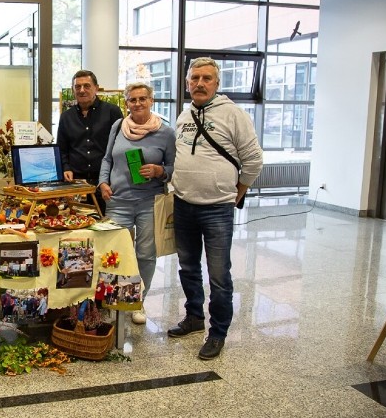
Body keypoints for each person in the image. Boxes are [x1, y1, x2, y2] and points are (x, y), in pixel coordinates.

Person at [170, 57, 263, 360]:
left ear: (217, 83)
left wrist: (240, 190)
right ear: (187, 83)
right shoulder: (183, 116)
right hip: (184, 204)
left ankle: (218, 331)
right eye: (194, 78)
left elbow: (253, 158)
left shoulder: (233, 114)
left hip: (217, 209)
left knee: (219, 275)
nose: (199, 83)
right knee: (187, 267)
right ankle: (194, 316)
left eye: (206, 78)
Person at [98, 82, 175, 325]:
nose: (138, 103)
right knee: (113, 253)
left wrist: (159, 170)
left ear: (152, 101)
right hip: (118, 201)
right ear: (126, 103)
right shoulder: (118, 126)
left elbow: (175, 168)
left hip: (148, 203)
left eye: (143, 99)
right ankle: (113, 299)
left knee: (145, 254)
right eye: (132, 99)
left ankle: (138, 301)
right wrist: (102, 183)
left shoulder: (166, 132)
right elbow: (108, 158)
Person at [57, 70, 123, 215]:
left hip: (105, 183)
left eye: (87, 86)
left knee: (106, 228)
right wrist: (66, 167)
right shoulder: (66, 117)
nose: (82, 90)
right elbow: (61, 148)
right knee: (78, 227)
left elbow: (121, 146)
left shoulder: (112, 112)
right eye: (77, 87)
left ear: (96, 88)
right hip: (77, 184)